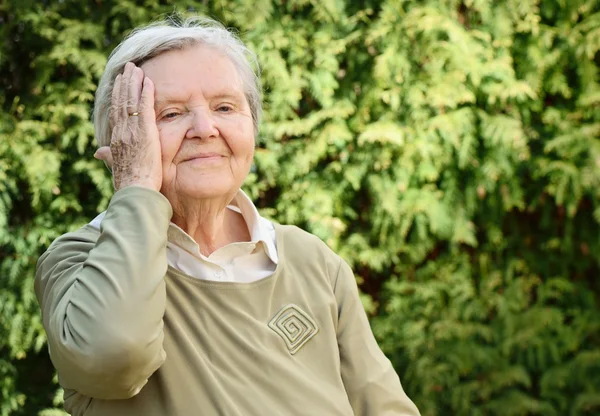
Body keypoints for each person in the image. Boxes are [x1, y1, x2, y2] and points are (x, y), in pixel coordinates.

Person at [35, 16, 420, 416]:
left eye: (224, 107)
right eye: (170, 114)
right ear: (120, 142)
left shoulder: (311, 260)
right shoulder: (78, 259)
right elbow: (115, 357)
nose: (205, 128)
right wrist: (136, 187)